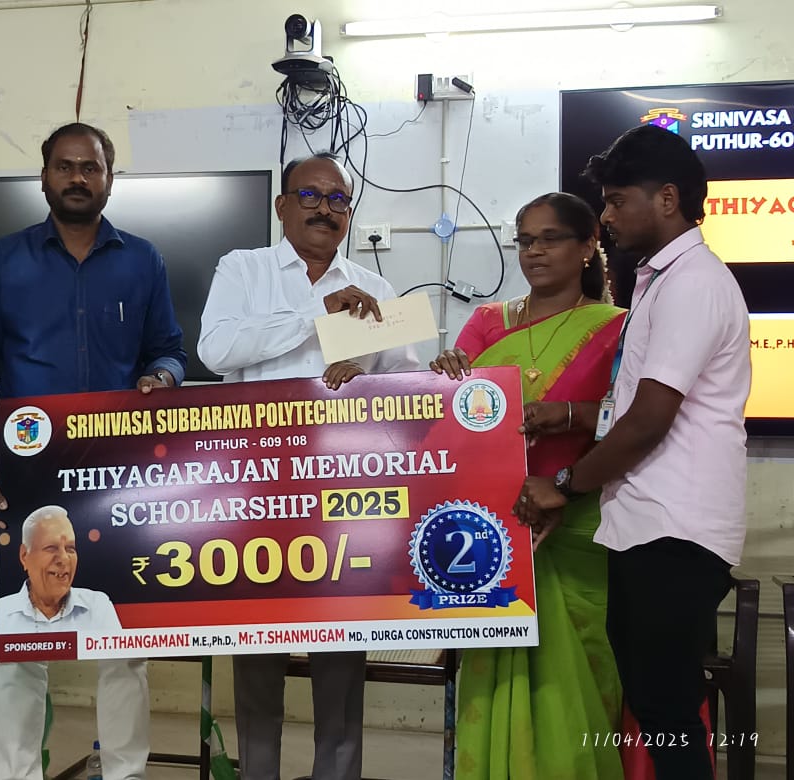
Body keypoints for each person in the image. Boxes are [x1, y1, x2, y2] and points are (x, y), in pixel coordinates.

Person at [0, 122, 186, 780]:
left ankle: (125, 773)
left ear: (109, 179)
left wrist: (161, 377)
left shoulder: (144, 260)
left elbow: (169, 351)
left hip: (121, 473)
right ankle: (18, 773)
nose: (78, 177)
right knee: (21, 644)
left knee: (124, 642)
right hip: (29, 471)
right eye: (65, 166)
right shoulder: (2, 261)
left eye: (91, 167)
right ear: (44, 177)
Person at [516, 125, 751, 779]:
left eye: (619, 201)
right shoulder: (659, 280)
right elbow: (630, 408)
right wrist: (572, 418)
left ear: (667, 199)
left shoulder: (693, 283)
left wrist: (565, 482)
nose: (609, 217)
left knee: (667, 709)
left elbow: (648, 419)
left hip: (675, 529)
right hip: (647, 524)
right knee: (655, 704)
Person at [197, 151, 420, 780]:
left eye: (338, 199)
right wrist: (316, 319)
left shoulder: (376, 291)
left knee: (341, 656)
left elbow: (405, 386)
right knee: (257, 652)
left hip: (345, 497)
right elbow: (216, 351)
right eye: (311, 196)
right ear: (282, 206)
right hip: (256, 492)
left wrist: (385, 379)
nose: (326, 209)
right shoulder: (243, 268)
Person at [431, 192, 626, 779]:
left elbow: (633, 418)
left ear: (588, 245)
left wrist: (569, 415)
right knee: (498, 672)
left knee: (581, 675)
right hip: (497, 522)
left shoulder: (618, 328)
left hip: (580, 518)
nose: (534, 251)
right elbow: (452, 416)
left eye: (550, 238)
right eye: (524, 240)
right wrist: (441, 379)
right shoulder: (488, 322)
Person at [0, 505, 122, 634]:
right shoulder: (1, 613)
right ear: (24, 556)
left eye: (70, 548)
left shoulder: (97, 607)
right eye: (51, 548)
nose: (64, 558)